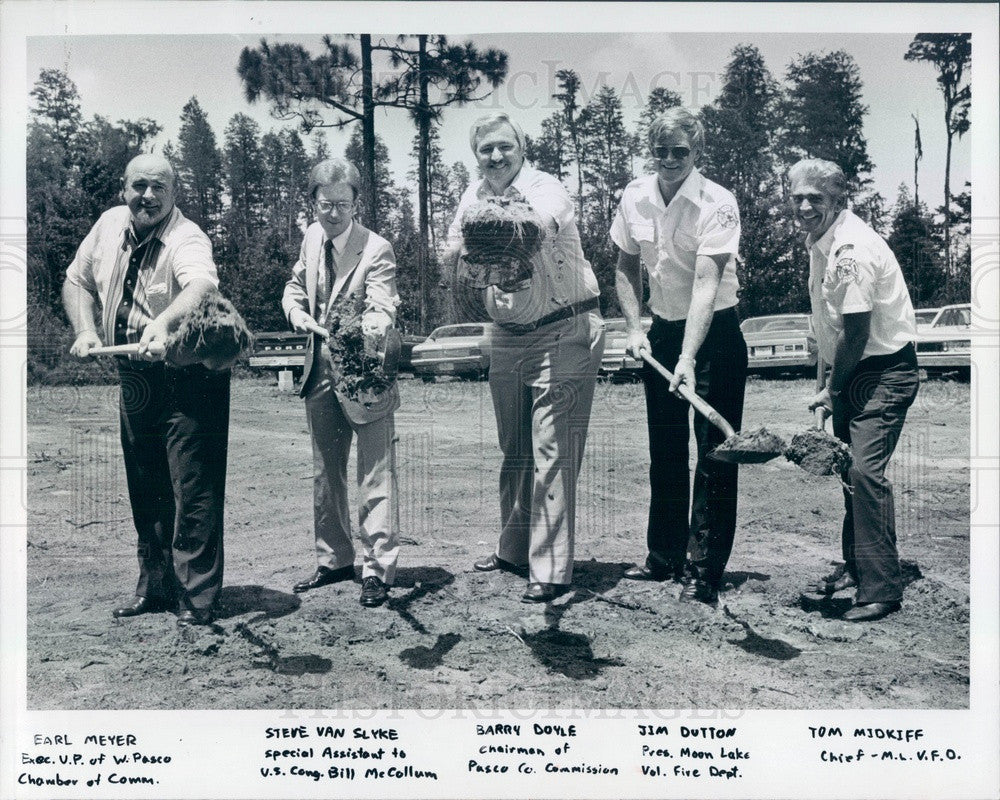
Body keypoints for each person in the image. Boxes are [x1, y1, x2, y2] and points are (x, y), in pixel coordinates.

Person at [63, 154, 230, 628]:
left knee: (192, 487)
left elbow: (200, 284)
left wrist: (163, 323)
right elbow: (76, 281)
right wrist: (85, 329)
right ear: (123, 189)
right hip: (135, 374)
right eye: (139, 186)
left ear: (174, 193)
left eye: (159, 187)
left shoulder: (187, 236)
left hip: (191, 374)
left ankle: (197, 597)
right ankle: (155, 589)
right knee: (147, 482)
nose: (148, 197)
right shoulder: (108, 224)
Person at [445, 113, 605, 604]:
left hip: (565, 327)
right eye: (485, 149)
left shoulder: (545, 186)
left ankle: (552, 568)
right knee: (514, 447)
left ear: (522, 148)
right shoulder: (471, 197)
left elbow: (543, 221)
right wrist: (471, 263)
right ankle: (515, 549)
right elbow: (451, 251)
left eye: (503, 147)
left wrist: (502, 239)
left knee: (552, 449)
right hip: (508, 334)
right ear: (476, 155)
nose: (495, 157)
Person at [611, 107, 748, 605]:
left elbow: (707, 285)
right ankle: (664, 556)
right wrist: (633, 328)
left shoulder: (718, 201)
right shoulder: (633, 196)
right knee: (665, 452)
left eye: (681, 152)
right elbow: (625, 267)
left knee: (715, 455)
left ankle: (703, 570)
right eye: (661, 151)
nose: (669, 161)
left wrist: (689, 356)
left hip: (716, 339)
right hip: (662, 335)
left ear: (698, 153)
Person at [789, 158, 919, 622]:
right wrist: (825, 382)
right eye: (798, 197)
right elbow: (830, 327)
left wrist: (830, 390)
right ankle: (857, 565)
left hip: (885, 373)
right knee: (850, 473)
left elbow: (857, 332)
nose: (805, 207)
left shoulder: (851, 249)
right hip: (853, 370)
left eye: (816, 199)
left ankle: (882, 589)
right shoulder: (820, 242)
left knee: (865, 474)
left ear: (839, 200)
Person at [282, 157, 401, 609]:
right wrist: (296, 312)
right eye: (326, 204)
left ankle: (377, 571)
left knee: (375, 474)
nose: (334, 214)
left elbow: (382, 305)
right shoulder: (312, 237)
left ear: (357, 204)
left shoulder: (378, 249)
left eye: (343, 205)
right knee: (324, 474)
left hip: (365, 376)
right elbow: (296, 285)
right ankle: (334, 560)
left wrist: (366, 332)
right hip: (319, 373)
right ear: (312, 202)